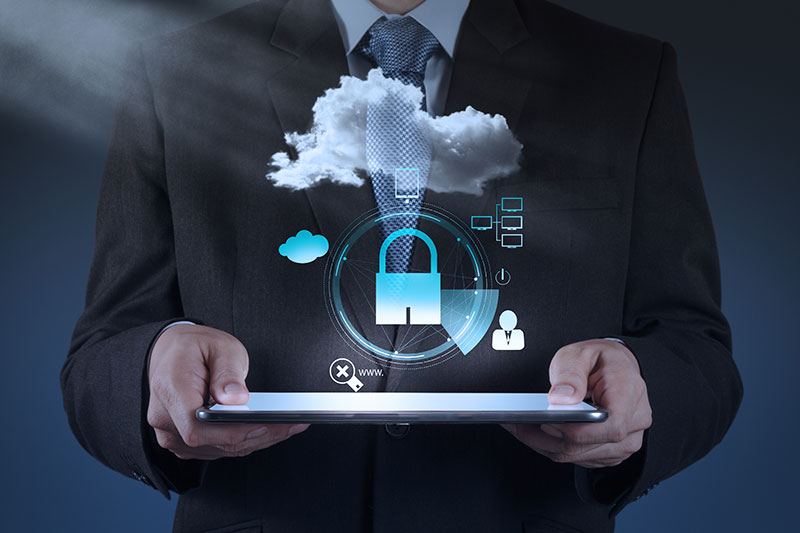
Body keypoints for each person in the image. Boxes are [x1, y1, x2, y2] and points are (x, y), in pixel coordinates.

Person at [61, 0, 743, 531]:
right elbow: (100, 354)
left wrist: (641, 390)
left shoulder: (625, 77)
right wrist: (153, 363)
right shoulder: (172, 72)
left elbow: (697, 349)